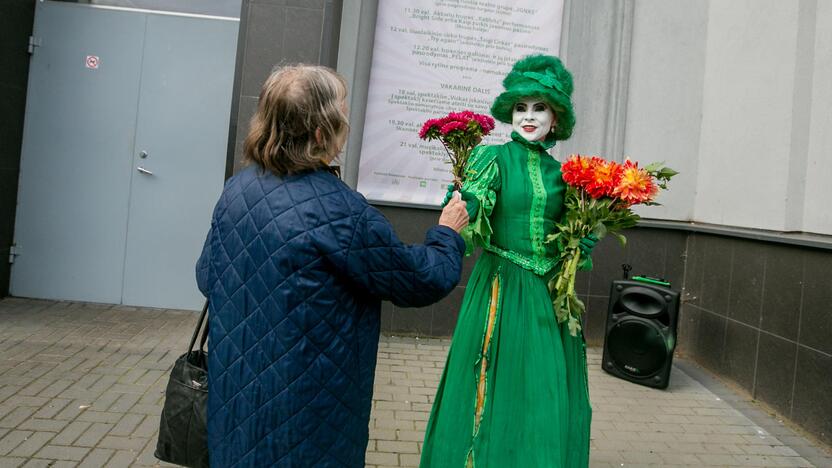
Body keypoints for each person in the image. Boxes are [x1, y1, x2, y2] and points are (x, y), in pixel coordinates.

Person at [195, 64, 470, 468]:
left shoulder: (238, 189)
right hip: (308, 408)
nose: (349, 120)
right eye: (343, 111)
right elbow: (420, 280)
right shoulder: (342, 212)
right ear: (322, 133)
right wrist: (447, 233)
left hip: (237, 394)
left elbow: (207, 276)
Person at [419, 55, 598, 468]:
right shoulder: (492, 159)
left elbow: (567, 233)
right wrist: (464, 204)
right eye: (521, 107)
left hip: (549, 295)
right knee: (494, 383)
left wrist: (582, 238)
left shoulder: (565, 174)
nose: (529, 117)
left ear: (557, 118)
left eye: (540, 108)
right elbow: (471, 222)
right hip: (501, 285)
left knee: (542, 388)